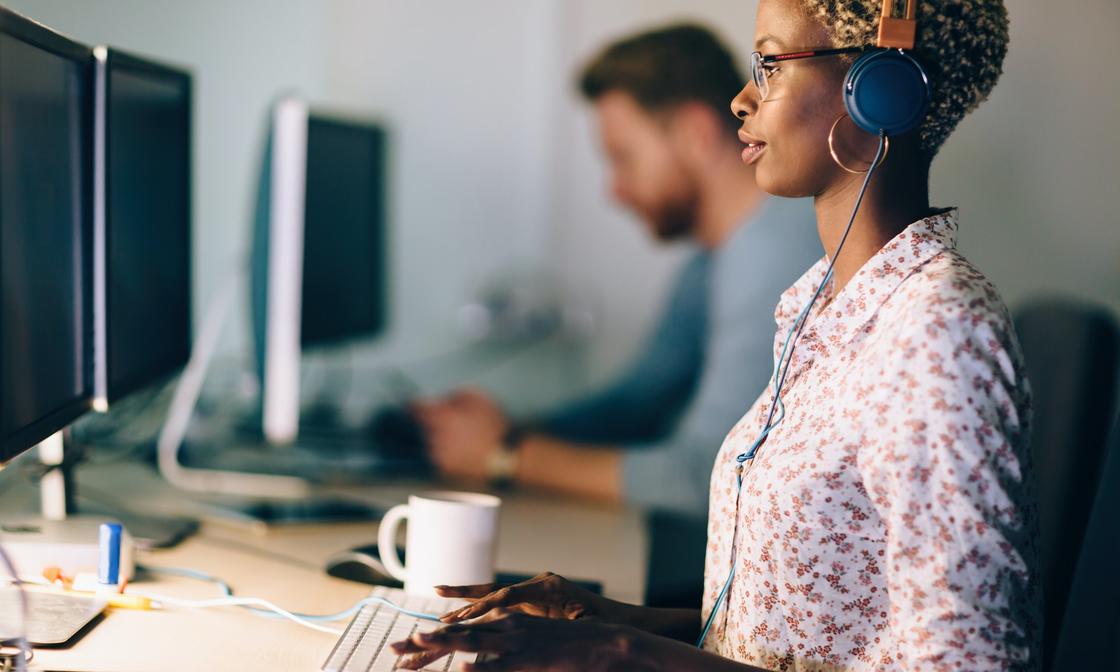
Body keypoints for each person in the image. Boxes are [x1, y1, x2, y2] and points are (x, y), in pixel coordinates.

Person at [392, 0, 1041, 670]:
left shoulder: (938, 326)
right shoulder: (822, 308)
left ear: (879, 92)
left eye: (771, 63)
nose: (741, 99)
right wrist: (608, 620)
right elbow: (794, 629)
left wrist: (620, 654)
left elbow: (968, 662)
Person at [413, 24, 820, 517]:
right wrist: (496, 430)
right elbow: (638, 402)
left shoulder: (771, 255)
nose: (615, 191)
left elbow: (706, 476)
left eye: (623, 159)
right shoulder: (711, 262)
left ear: (694, 133)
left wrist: (506, 455)